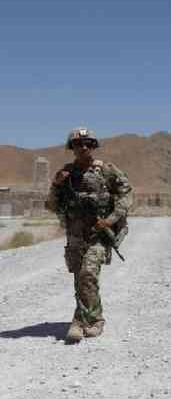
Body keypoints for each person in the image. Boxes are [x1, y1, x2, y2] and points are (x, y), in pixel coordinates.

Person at [45, 127, 133, 343]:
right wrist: (56, 184)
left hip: (98, 234)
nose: (83, 147)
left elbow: (126, 194)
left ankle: (89, 321)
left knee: (88, 274)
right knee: (80, 280)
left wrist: (111, 220)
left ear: (94, 146)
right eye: (78, 144)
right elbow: (51, 205)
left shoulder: (107, 170)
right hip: (75, 235)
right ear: (72, 148)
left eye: (88, 144)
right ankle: (86, 318)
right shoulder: (65, 174)